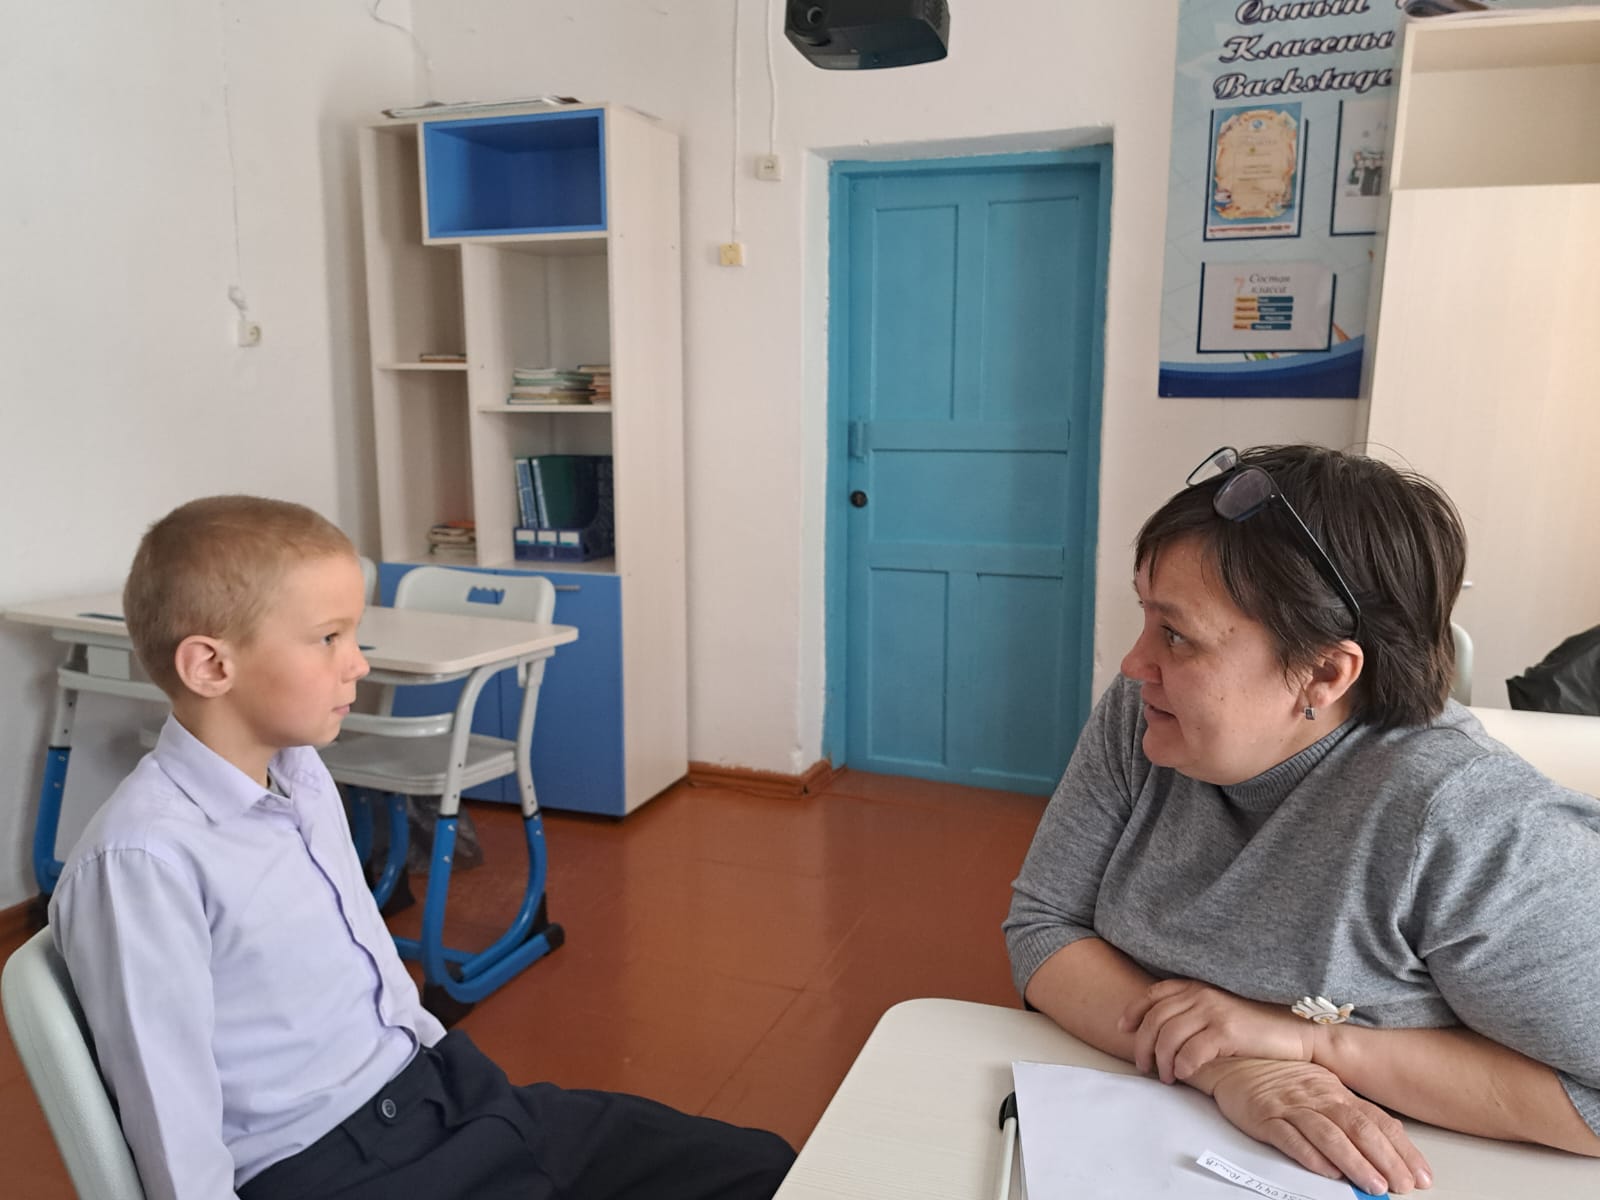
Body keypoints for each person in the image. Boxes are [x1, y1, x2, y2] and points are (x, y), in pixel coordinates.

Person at [49, 495, 794, 1200]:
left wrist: (437, 1057)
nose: (358, 663)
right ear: (211, 666)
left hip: (442, 1092)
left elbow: (367, 960)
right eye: (328, 638)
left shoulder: (300, 773)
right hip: (333, 1169)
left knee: (770, 1170)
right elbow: (172, 1127)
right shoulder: (143, 862)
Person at [1003, 445, 1600, 1196]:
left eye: (1176, 634)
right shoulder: (1146, 714)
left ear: (1324, 673)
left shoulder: (1469, 824)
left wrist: (1315, 1049)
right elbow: (1045, 925)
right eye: (1146, 616)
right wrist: (1230, 1066)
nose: (1133, 663)